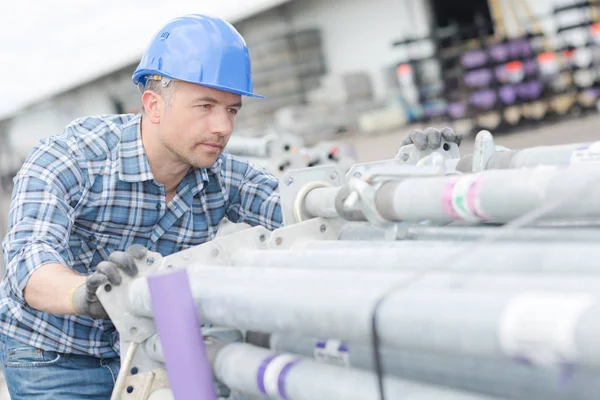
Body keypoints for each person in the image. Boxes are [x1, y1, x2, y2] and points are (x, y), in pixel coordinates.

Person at [0, 14, 282, 399]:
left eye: (232, 109)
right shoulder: (73, 157)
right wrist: (85, 294)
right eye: (205, 105)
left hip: (154, 348)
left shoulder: (225, 175)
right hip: (54, 354)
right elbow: (29, 262)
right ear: (153, 105)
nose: (223, 127)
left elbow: (296, 208)